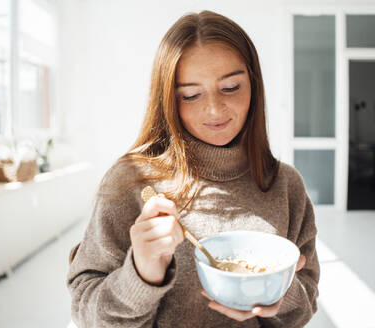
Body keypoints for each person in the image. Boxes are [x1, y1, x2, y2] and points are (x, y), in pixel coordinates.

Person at [67, 10, 319, 328]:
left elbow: (305, 304)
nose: (214, 109)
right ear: (168, 100)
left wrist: (280, 290)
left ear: (254, 86)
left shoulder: (286, 186)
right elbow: (84, 311)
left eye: (230, 88)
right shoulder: (132, 181)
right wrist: (141, 275)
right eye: (190, 95)